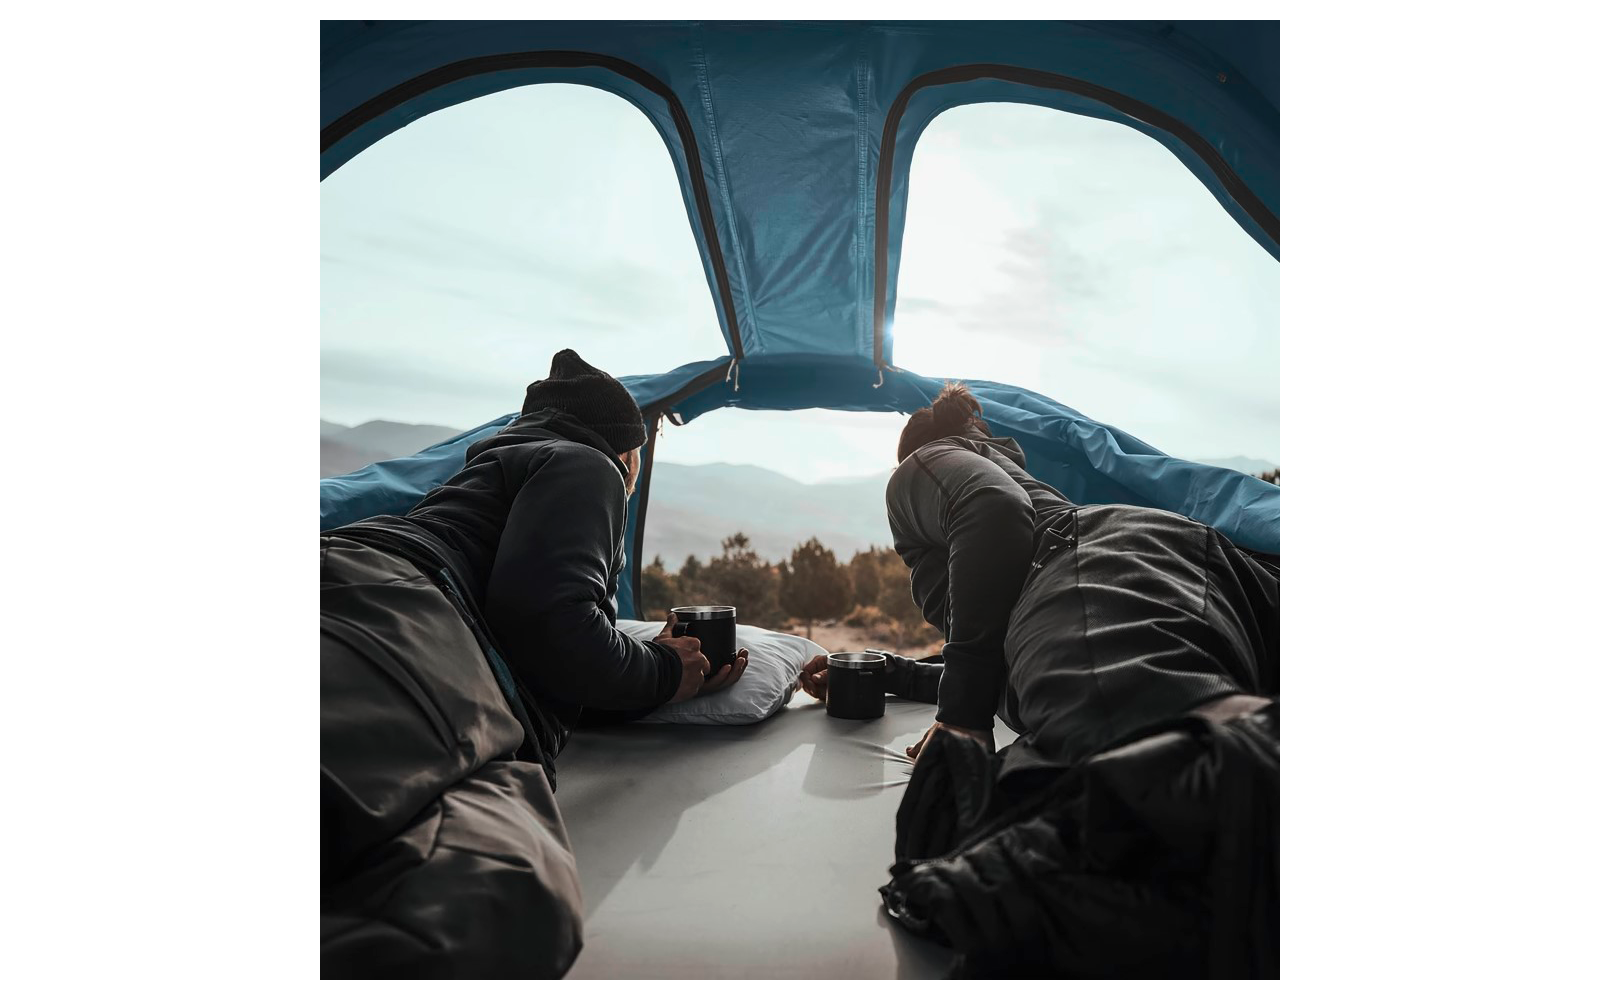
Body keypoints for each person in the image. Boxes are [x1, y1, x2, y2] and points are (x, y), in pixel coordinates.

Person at [804, 382, 1280, 976]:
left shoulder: (921, 465)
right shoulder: (1012, 492)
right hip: (1207, 574)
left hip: (1090, 571)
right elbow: (1005, 649)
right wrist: (894, 671)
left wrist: (962, 716)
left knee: (1168, 782)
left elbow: (994, 511)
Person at [321, 349, 748, 978]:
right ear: (628, 454)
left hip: (363, 594)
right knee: (501, 900)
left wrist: (631, 664)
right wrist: (660, 671)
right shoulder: (588, 464)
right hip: (400, 624)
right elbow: (546, 621)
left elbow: (538, 638)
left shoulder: (488, 475)